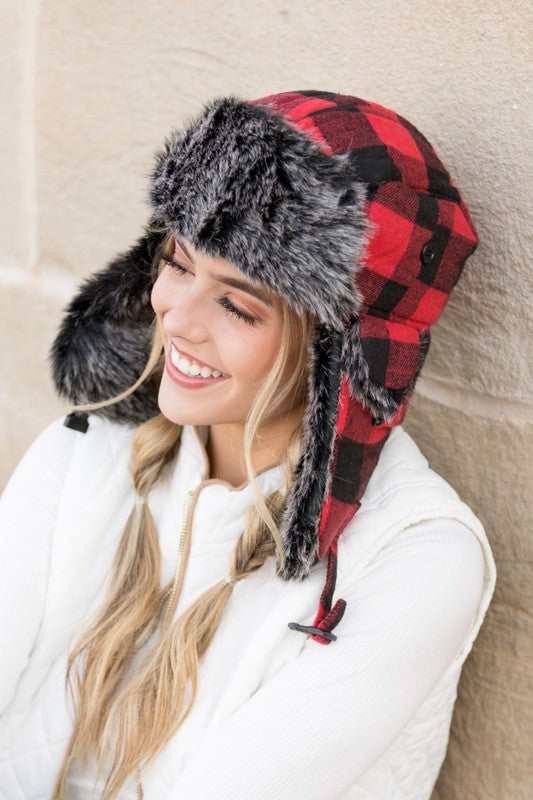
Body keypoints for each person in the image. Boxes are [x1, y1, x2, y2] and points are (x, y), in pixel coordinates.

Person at [0, 90, 496, 800]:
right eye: (177, 261)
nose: (178, 318)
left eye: (236, 304)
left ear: (334, 355)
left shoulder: (415, 554)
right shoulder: (83, 451)